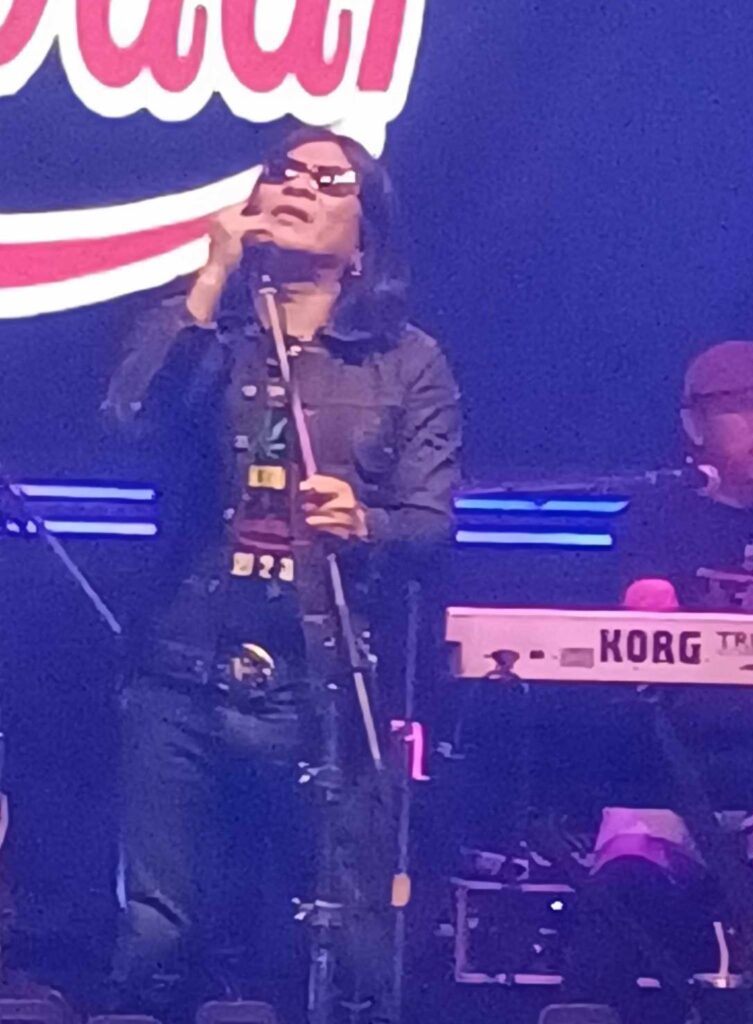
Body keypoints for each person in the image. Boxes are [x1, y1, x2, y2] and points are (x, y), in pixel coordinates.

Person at [102, 124, 461, 1024]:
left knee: (346, 942)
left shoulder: (406, 361)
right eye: (284, 171)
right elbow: (129, 420)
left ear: (366, 236)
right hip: (182, 672)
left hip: (324, 684)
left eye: (330, 180)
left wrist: (366, 523)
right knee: (159, 929)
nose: (298, 184)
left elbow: (429, 524)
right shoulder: (203, 332)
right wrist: (212, 275)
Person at [566, 340, 753, 1023]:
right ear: (694, 426)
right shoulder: (655, 520)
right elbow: (637, 625)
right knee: (615, 910)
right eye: (740, 406)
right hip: (663, 781)